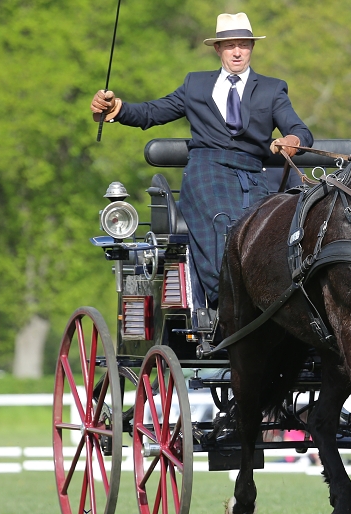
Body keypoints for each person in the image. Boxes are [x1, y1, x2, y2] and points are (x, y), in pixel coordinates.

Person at [90, 12, 313, 313]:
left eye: (244, 45)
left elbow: (300, 129)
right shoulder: (195, 85)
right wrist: (117, 108)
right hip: (207, 168)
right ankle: (227, 298)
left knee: (265, 230)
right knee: (224, 224)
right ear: (217, 49)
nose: (237, 52)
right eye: (230, 45)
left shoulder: (272, 89)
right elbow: (152, 113)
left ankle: (274, 296)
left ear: (251, 48)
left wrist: (293, 141)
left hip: (252, 173)